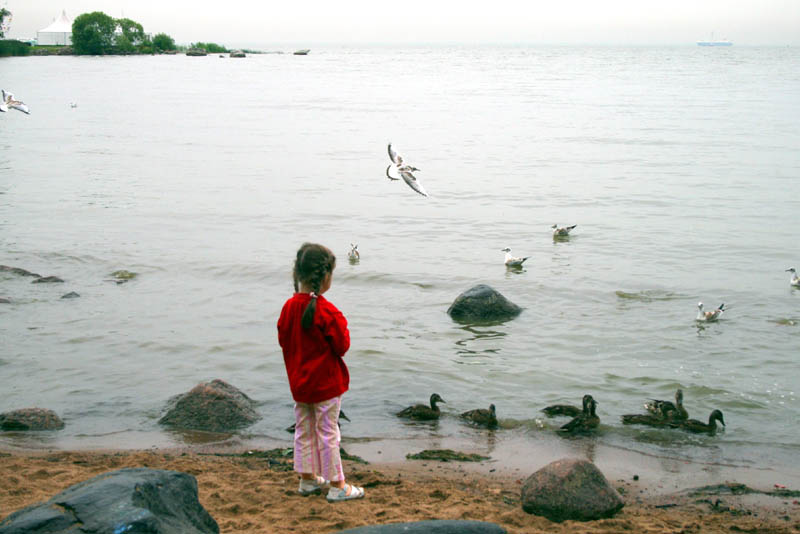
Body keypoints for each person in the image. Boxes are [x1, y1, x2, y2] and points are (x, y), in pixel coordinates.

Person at [277, 243, 365, 502]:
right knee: (328, 432)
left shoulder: (289, 307)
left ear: (298, 274)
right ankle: (338, 486)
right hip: (326, 385)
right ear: (325, 277)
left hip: (300, 385)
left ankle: (307, 479)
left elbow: (284, 340)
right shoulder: (327, 311)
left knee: (304, 430)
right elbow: (343, 345)